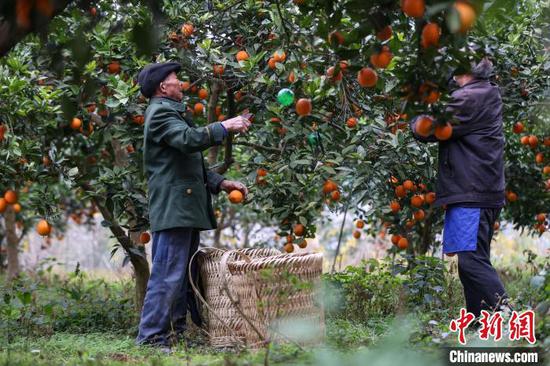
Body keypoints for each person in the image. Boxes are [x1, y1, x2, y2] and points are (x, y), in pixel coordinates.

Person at [135, 62, 251, 352]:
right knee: (167, 273)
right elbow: (188, 141)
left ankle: (174, 332)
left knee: (183, 274)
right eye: (176, 79)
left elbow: (186, 164)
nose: (181, 83)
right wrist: (224, 126)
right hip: (175, 207)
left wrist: (220, 183)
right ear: (163, 86)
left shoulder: (171, 113)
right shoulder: (161, 112)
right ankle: (151, 337)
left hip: (183, 206)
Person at [410, 58, 508, 319]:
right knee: (471, 262)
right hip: (479, 189)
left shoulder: (471, 97)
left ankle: (510, 317)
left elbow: (430, 129)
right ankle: (480, 323)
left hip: (472, 192)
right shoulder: (484, 92)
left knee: (471, 260)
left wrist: (414, 118)